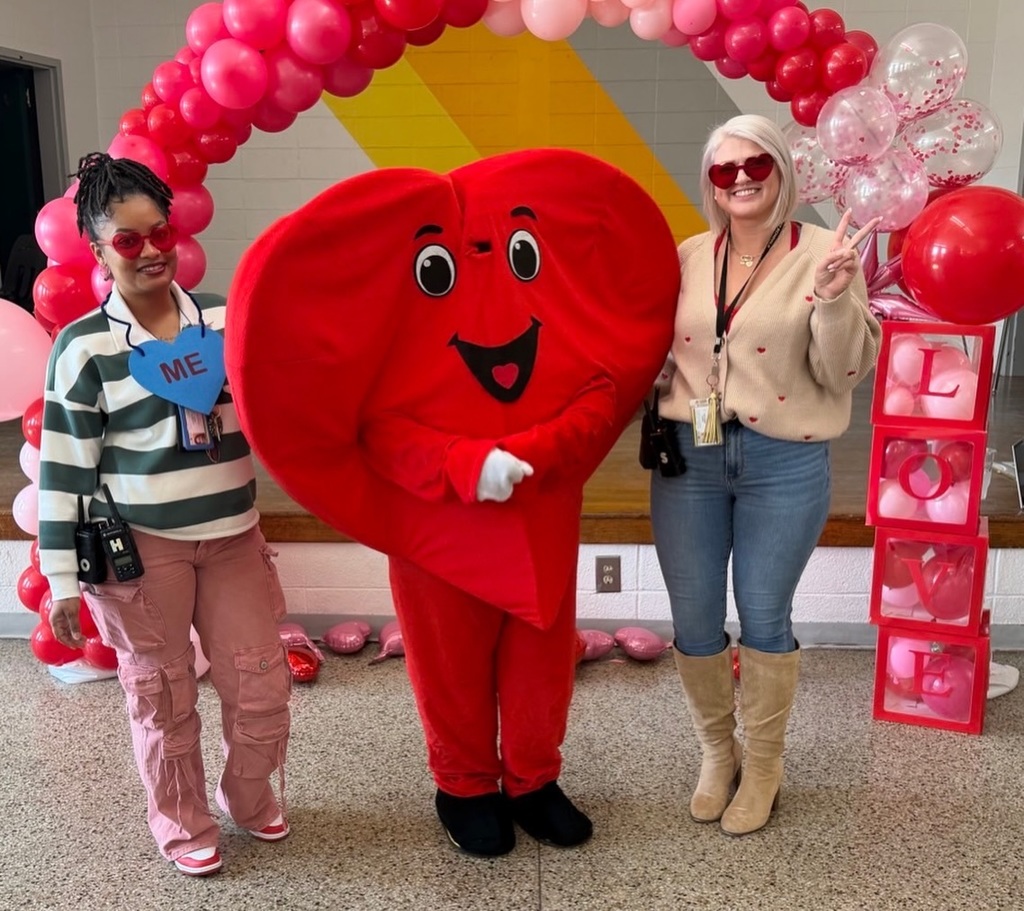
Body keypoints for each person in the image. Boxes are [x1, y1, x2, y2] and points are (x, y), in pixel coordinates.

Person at [37, 153, 292, 876]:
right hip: (142, 552)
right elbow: (63, 469)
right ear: (95, 247)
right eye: (127, 239)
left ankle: (246, 794)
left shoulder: (221, 317)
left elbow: (282, 396)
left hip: (235, 537)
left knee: (262, 683)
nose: (150, 250)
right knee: (162, 692)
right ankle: (181, 822)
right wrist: (60, 579)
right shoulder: (84, 346)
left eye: (161, 232)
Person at [650, 115, 881, 837]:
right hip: (692, 456)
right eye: (725, 170)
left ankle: (767, 762)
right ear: (711, 185)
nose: (741, 179)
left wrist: (838, 295)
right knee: (691, 618)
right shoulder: (689, 257)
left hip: (784, 461)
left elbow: (844, 371)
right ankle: (719, 755)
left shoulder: (825, 252)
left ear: (780, 169)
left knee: (763, 616)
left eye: (757, 165)